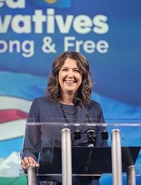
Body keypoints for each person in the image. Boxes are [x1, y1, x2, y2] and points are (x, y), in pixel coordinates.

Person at [21, 51, 107, 185]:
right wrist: (29, 159)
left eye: (76, 70)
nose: (70, 75)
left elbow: (102, 152)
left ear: (83, 76)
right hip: (49, 182)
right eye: (65, 69)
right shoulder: (40, 105)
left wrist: (98, 165)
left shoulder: (94, 109)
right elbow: (29, 149)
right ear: (57, 74)